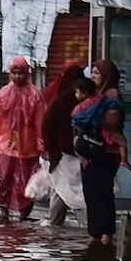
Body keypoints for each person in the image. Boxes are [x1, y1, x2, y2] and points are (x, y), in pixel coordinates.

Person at [73, 59, 125, 252]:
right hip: (89, 151)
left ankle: (106, 234)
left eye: (97, 73)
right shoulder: (92, 95)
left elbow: (113, 122)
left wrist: (93, 114)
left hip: (106, 152)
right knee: (90, 192)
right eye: (92, 72)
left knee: (102, 192)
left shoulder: (112, 95)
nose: (93, 76)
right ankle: (95, 232)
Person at [0, 56, 45, 223]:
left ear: (26, 74)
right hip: (7, 144)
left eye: (20, 73)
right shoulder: (3, 94)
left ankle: (24, 211)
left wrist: (41, 143)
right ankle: (3, 208)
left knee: (26, 180)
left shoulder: (35, 95)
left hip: (28, 146)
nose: (17, 77)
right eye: (14, 73)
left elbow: (39, 121)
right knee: (4, 177)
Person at [41, 65, 88, 225]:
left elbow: (46, 124)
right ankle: (87, 226)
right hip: (81, 153)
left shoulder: (59, 100)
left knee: (60, 188)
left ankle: (54, 222)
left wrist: (48, 147)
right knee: (82, 191)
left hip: (61, 153)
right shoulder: (86, 101)